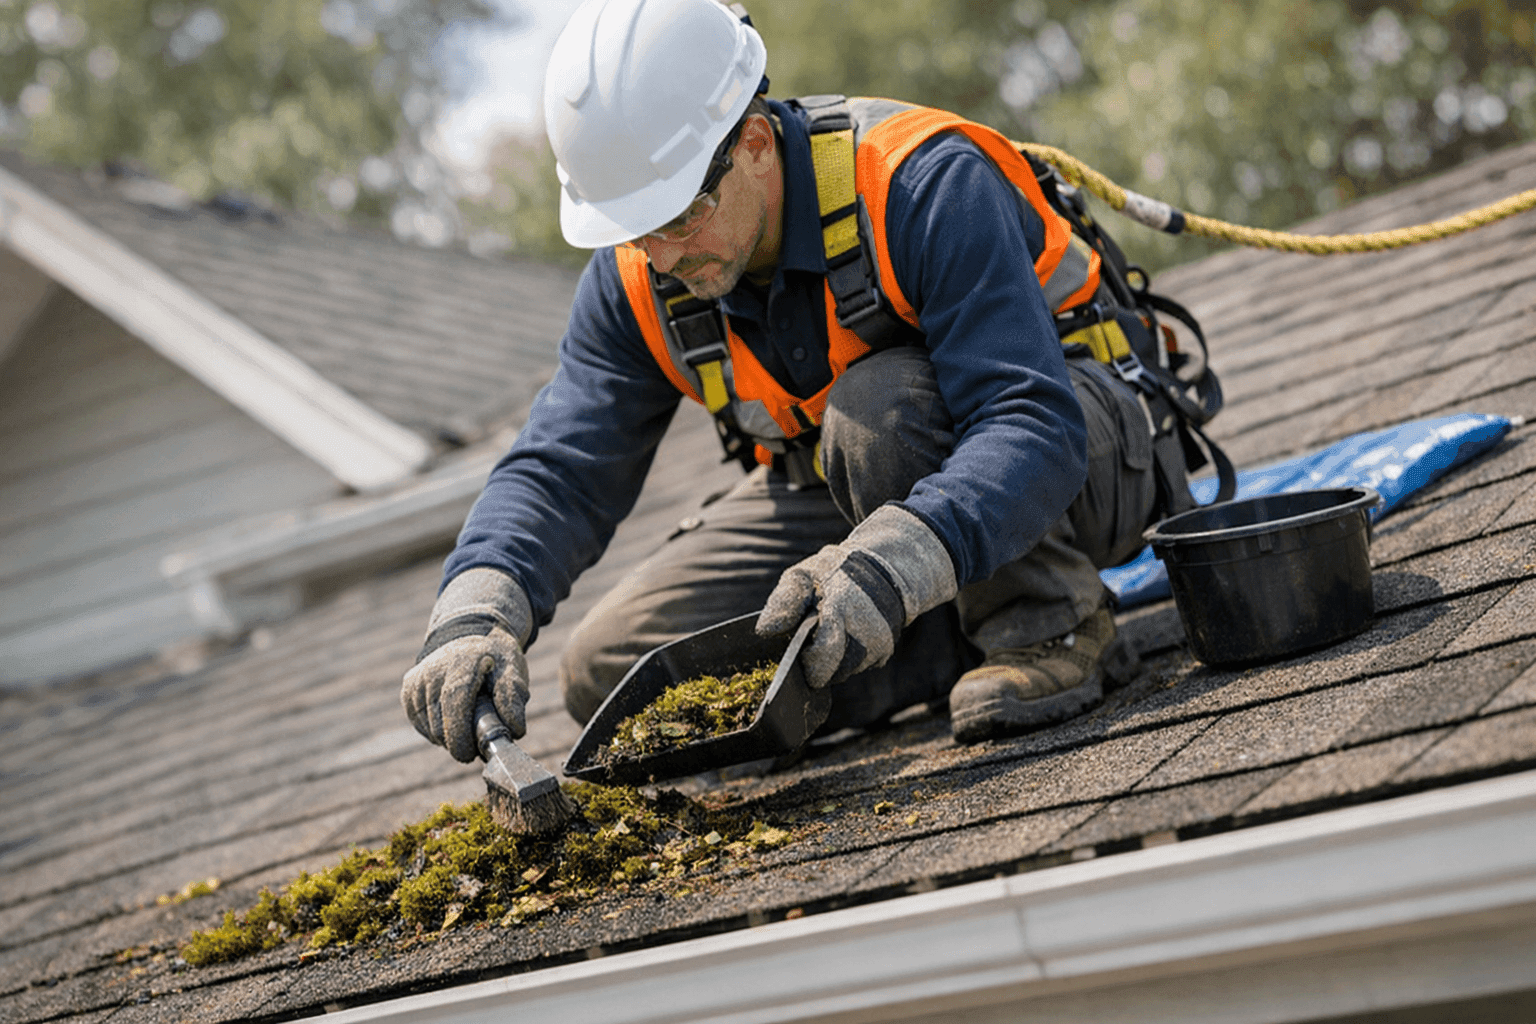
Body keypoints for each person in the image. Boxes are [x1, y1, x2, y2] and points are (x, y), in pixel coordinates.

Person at [400, 0, 1174, 764]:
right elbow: (562, 468)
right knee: (614, 670)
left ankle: (1050, 629)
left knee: (878, 413)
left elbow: (1029, 421)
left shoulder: (921, 181)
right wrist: (476, 607)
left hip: (1075, 458)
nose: (662, 257)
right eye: (637, 231)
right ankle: (939, 636)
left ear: (757, 143)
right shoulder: (641, 275)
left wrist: (887, 563)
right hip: (859, 497)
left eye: (679, 217)